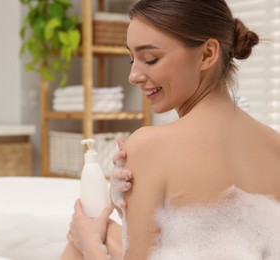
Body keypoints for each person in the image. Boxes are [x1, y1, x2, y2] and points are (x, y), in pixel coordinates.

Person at [61, 0, 280, 259]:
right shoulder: (274, 142)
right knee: (104, 228)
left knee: (88, 228)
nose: (133, 75)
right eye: (132, 59)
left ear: (208, 54)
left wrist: (88, 244)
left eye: (150, 59)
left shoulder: (149, 145)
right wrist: (128, 210)